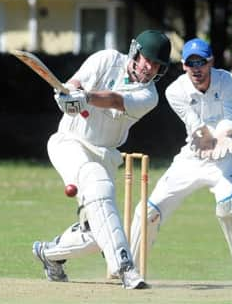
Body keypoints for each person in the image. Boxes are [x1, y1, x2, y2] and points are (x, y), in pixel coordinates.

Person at [31, 30, 172, 289]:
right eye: (147, 60)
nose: (149, 68)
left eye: (157, 65)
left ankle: (49, 254)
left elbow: (116, 100)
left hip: (105, 155)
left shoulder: (149, 96)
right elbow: (75, 83)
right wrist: (67, 96)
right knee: (99, 186)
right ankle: (125, 268)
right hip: (69, 143)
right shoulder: (106, 59)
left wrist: (86, 98)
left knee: (101, 232)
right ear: (136, 52)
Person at [126, 38, 232, 280]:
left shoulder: (230, 82)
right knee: (148, 210)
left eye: (201, 62)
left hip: (228, 154)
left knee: (227, 204)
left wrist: (226, 133)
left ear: (211, 62)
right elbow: (193, 123)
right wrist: (203, 138)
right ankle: (129, 267)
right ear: (184, 66)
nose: (197, 69)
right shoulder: (174, 91)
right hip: (193, 155)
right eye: (191, 63)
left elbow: (229, 116)